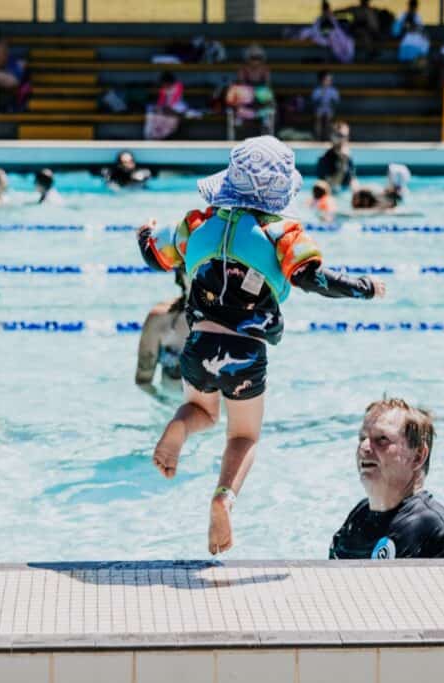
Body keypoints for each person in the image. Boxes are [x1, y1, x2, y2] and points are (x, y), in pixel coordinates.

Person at [135, 136, 386, 555]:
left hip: (197, 344)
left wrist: (144, 232)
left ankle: (180, 426)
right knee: (244, 436)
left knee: (201, 411)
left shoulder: (197, 223)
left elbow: (154, 254)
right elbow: (315, 279)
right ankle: (224, 497)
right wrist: (365, 288)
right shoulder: (281, 233)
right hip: (246, 353)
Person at [330, 398, 444, 559]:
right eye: (362, 439)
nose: (364, 448)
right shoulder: (359, 516)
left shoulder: (439, 533)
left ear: (418, 456)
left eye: (382, 439)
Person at [135, 269, 191, 393]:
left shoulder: (233, 321)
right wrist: (163, 406)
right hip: (169, 408)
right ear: (180, 274)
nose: (197, 276)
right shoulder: (159, 319)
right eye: (190, 268)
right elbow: (143, 383)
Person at [316, 120, 357, 193]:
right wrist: (343, 162)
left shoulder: (348, 156)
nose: (343, 139)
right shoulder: (324, 159)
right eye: (340, 135)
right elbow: (331, 186)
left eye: (346, 136)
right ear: (332, 136)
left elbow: (352, 180)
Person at [145, 72, 185, 140]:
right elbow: (161, 100)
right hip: (166, 106)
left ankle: (168, 134)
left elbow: (176, 98)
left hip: (177, 105)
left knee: (172, 113)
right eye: (163, 84)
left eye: (165, 83)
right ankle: (153, 135)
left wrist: (168, 107)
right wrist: (159, 107)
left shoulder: (178, 85)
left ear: (169, 81)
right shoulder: (163, 88)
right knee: (152, 112)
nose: (164, 85)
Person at [392, 0, 429, 67]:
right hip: (405, 39)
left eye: (414, 7)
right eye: (413, 6)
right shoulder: (403, 16)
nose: (413, 8)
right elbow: (396, 31)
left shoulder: (417, 16)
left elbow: (421, 29)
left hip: (416, 39)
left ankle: (416, 65)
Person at [311, 71, 340, 142]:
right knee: (318, 117)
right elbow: (313, 101)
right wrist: (321, 96)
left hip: (329, 110)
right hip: (319, 110)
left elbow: (336, 101)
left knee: (328, 118)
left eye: (329, 80)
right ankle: (317, 137)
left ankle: (327, 136)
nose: (327, 82)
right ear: (321, 80)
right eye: (326, 80)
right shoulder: (317, 90)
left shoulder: (333, 91)